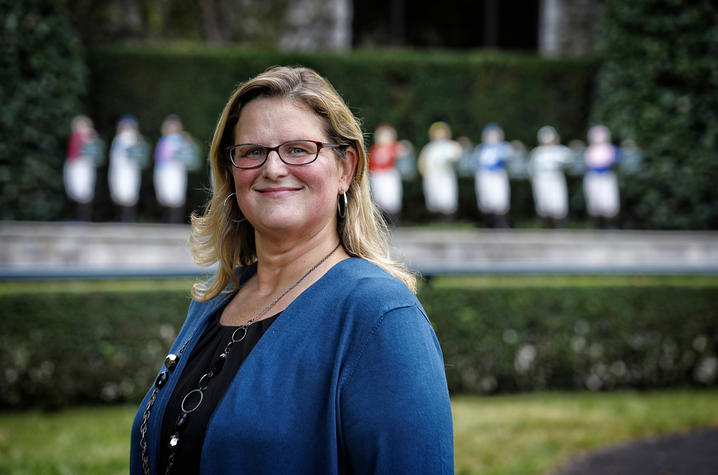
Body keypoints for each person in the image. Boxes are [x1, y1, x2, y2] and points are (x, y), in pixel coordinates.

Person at [130, 66, 453, 474]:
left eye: (299, 149)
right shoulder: (216, 301)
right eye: (252, 151)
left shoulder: (379, 316)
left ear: (345, 169)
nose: (273, 168)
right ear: (230, 171)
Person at [154, 115, 200, 223]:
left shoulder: (182, 140)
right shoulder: (162, 140)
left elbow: (191, 154)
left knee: (175, 194)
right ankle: (167, 217)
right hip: (163, 170)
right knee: (164, 193)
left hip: (175, 170)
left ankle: (175, 219)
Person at [528, 125, 573, 227]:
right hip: (541, 179)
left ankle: (560, 226)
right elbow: (530, 169)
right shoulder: (537, 153)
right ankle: (546, 225)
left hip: (555, 179)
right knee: (543, 202)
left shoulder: (561, 151)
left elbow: (570, 162)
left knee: (558, 202)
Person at [417, 121, 462, 221]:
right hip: (432, 175)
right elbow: (423, 161)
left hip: (446, 175)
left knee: (447, 195)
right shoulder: (429, 148)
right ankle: (437, 219)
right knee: (434, 196)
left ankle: (449, 219)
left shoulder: (450, 146)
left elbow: (457, 154)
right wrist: (423, 171)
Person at [109, 115, 149, 222]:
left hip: (130, 171)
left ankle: (128, 218)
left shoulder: (137, 140)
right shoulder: (117, 140)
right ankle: (121, 217)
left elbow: (141, 157)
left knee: (129, 193)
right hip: (118, 171)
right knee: (119, 192)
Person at [64, 115, 103, 220]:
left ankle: (84, 218)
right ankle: (76, 217)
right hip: (75, 167)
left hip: (86, 169)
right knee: (75, 192)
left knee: (85, 193)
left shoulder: (93, 141)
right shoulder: (74, 139)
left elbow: (97, 156)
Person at [472, 123, 512, 228]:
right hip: (484, 177)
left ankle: (501, 223)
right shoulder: (480, 149)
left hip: (497, 176)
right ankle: (488, 223)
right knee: (486, 199)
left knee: (499, 198)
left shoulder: (504, 148)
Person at [583, 125, 620, 227]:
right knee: (595, 202)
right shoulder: (590, 150)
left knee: (609, 202)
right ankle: (597, 226)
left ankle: (610, 226)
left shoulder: (611, 149)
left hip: (606, 177)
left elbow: (616, 159)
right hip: (593, 178)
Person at [368, 123, 403, 225]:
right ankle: (383, 221)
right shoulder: (375, 149)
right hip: (377, 175)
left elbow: (402, 151)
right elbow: (371, 162)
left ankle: (395, 220)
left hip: (389, 175)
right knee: (379, 198)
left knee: (391, 197)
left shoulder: (393, 147)